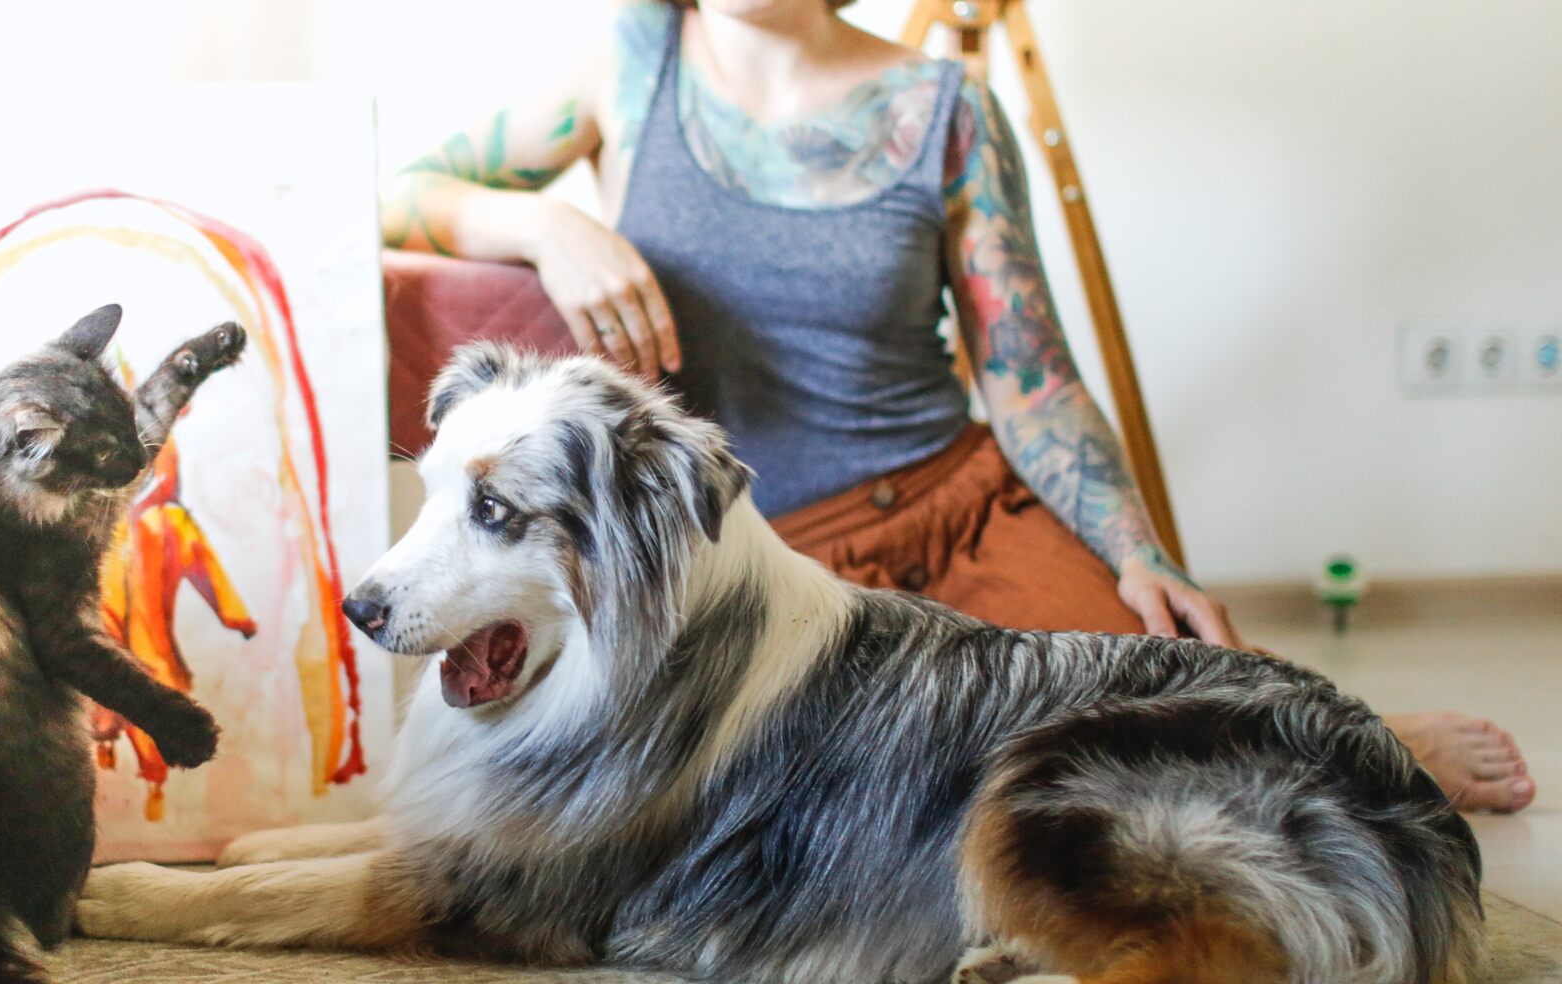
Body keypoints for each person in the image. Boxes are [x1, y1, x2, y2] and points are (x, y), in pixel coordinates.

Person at [380, 0, 1535, 814]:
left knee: (1147, 708)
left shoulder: (947, 106)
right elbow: (401, 194)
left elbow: (1030, 375)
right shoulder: (628, 61)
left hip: (959, 503)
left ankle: (1364, 746)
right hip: (773, 551)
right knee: (901, 789)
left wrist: (1138, 549)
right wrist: (544, 223)